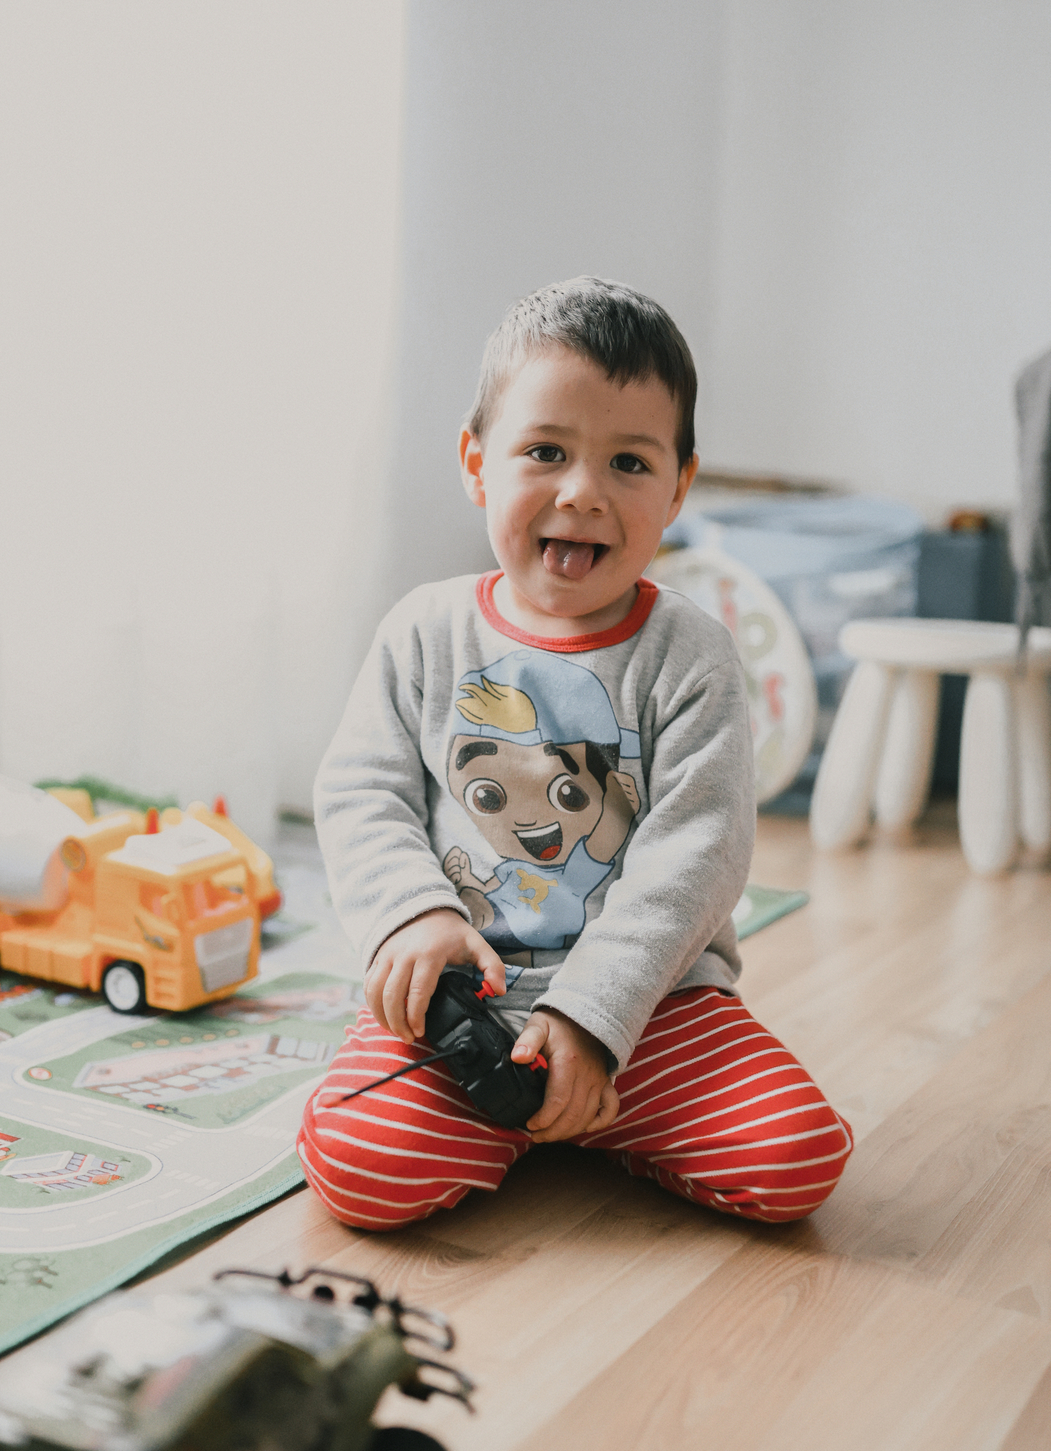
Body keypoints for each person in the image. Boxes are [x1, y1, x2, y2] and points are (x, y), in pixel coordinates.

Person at [298, 277, 851, 1231]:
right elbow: (361, 793)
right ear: (478, 464)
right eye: (546, 451)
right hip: (466, 997)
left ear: (678, 488)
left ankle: (598, 1110)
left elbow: (697, 857)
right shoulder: (424, 631)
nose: (584, 492)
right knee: (360, 1167)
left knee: (797, 1160)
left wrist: (597, 1020)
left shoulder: (692, 657)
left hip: (654, 1007)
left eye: (629, 462)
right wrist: (412, 919)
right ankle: (541, 1116)